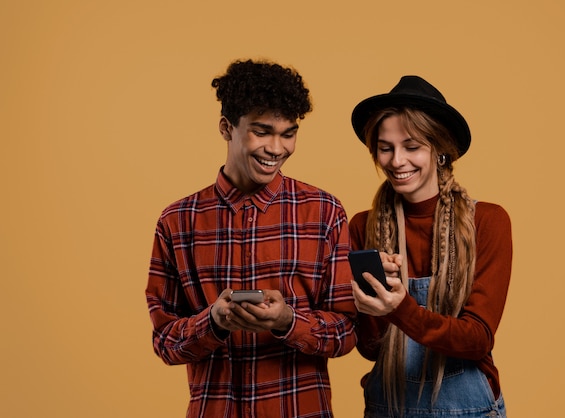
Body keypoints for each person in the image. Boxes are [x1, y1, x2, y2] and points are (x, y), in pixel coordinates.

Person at [145, 59, 357, 418]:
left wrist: (287, 321)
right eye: (262, 131)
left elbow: (347, 331)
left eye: (288, 134)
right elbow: (165, 342)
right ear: (227, 128)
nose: (276, 148)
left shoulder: (324, 212)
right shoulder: (177, 222)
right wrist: (213, 322)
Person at [348, 75, 512, 417]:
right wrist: (374, 304)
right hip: (388, 407)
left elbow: (477, 339)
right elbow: (368, 349)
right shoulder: (363, 227)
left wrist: (400, 307)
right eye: (385, 147)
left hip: (467, 409)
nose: (396, 161)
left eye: (412, 146)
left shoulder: (487, 221)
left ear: (440, 150)